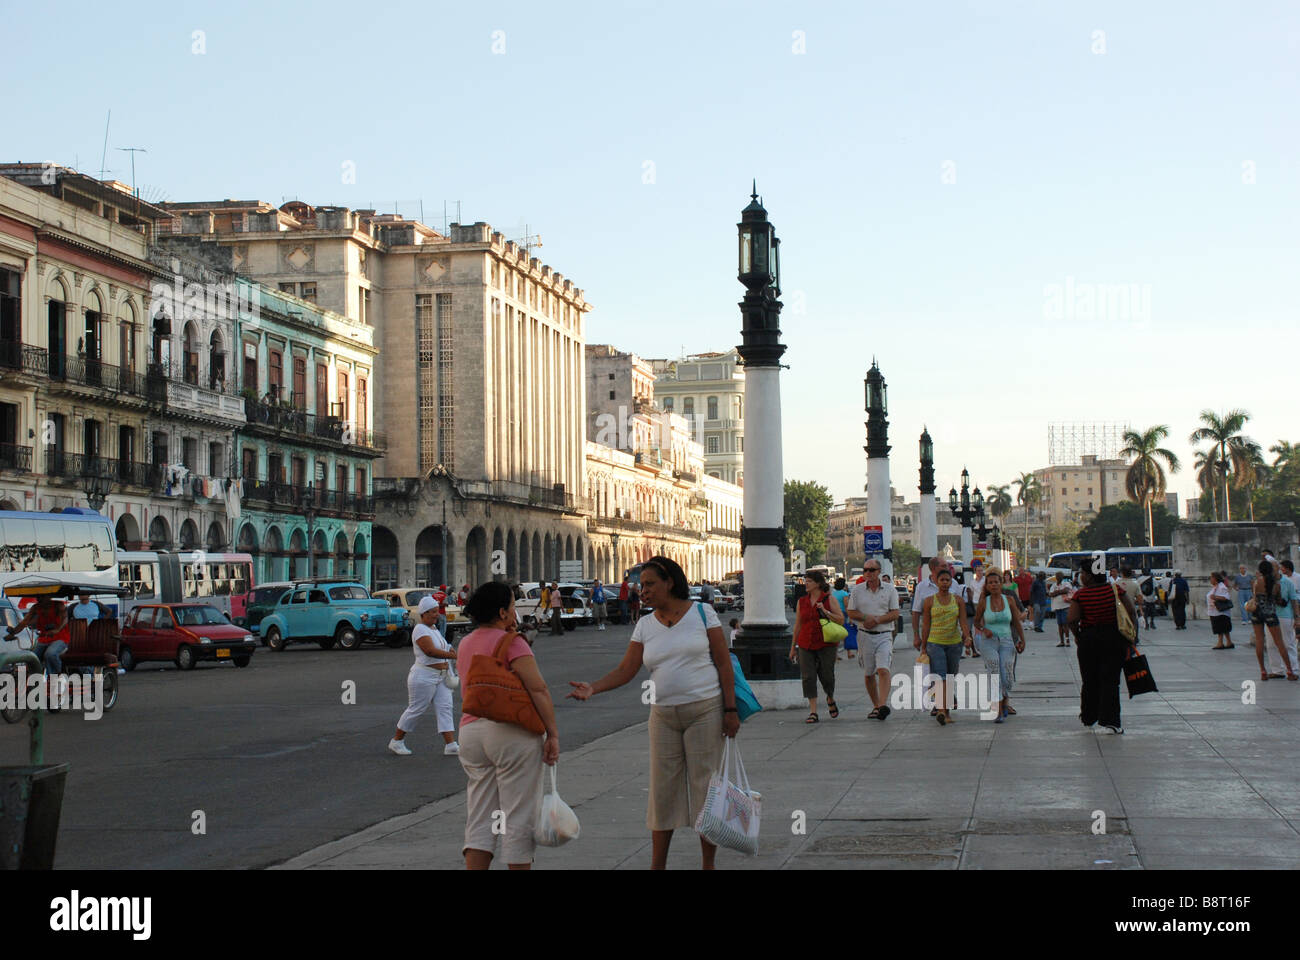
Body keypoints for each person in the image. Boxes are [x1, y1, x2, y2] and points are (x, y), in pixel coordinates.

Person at [567, 556, 738, 870]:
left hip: (705, 709)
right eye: (640, 585)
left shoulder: (703, 613)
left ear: (669, 582)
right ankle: (657, 865)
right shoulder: (645, 624)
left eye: (649, 584)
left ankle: (708, 864)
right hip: (663, 717)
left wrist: (730, 710)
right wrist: (593, 687)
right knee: (662, 794)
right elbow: (626, 670)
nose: (642, 590)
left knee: (705, 790)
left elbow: (724, 664)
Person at [458, 581, 559, 870]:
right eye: (513, 606)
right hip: (509, 733)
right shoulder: (514, 643)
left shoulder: (465, 642)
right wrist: (552, 733)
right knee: (518, 818)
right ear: (502, 612)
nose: (515, 613)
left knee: (480, 817)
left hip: (471, 733)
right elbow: (538, 689)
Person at [1067, 557, 1140, 734]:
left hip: (1089, 640)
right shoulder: (1115, 590)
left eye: (1082, 573)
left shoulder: (1081, 595)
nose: (1081, 577)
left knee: (1090, 680)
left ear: (1090, 576)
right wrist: (1132, 638)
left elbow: (1072, 619)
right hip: (1113, 639)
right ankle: (1111, 721)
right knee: (1111, 681)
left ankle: (1089, 717)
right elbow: (1131, 612)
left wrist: (1078, 636)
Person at [389, 596, 459, 756]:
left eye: (437, 611)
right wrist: (452, 656)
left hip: (440, 676)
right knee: (416, 708)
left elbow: (443, 646)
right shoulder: (420, 629)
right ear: (424, 613)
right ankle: (397, 741)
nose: (437, 614)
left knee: (445, 708)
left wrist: (450, 650)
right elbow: (430, 651)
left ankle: (451, 744)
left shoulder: (433, 629)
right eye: (433, 612)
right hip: (424, 676)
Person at [846, 560, 899, 721]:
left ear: (879, 572)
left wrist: (877, 620)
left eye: (872, 570)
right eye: (866, 570)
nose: (868, 573)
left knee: (883, 669)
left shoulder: (890, 589)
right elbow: (851, 611)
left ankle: (882, 705)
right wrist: (865, 618)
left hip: (884, 634)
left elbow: (895, 613)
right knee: (869, 673)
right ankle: (876, 705)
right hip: (864, 635)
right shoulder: (857, 590)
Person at [790, 570, 844, 722]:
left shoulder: (829, 599)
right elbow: (798, 625)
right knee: (808, 676)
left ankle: (830, 697)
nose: (806, 584)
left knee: (827, 675)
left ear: (818, 584)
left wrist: (825, 611)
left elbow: (840, 620)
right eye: (805, 581)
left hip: (826, 643)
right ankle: (813, 711)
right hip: (805, 642)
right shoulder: (802, 602)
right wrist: (793, 647)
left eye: (809, 582)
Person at [921, 568, 973, 725]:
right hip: (935, 643)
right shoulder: (930, 601)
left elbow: (963, 621)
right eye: (941, 580)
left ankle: (947, 711)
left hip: (954, 643)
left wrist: (967, 636)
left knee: (950, 677)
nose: (944, 583)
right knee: (941, 677)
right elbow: (926, 625)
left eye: (947, 580)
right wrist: (923, 646)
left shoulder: (958, 600)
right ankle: (942, 711)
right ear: (936, 582)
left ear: (951, 582)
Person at [974, 568, 1026, 722]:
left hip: (1007, 641)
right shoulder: (984, 602)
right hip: (988, 641)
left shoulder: (1009, 600)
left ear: (1001, 583)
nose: (994, 585)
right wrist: (984, 629)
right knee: (994, 669)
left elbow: (1016, 621)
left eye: (996, 582)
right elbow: (976, 621)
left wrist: (1022, 640)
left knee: (1006, 675)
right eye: (990, 583)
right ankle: (996, 708)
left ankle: (1004, 699)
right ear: (987, 586)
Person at [1251, 561, 1297, 682]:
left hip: (1257, 613)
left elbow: (1255, 597)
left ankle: (1263, 671)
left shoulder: (1256, 582)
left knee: (1260, 641)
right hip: (1270, 613)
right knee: (1280, 642)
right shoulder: (1276, 584)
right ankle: (1290, 671)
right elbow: (1279, 600)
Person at [15, 595, 70, 678]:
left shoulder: (59, 605)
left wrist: (58, 629)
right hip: (44, 638)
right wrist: (12, 632)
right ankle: (35, 679)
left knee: (50, 654)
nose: (38, 599)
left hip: (60, 637)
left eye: (41, 597)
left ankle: (59, 676)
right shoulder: (35, 607)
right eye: (38, 597)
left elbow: (66, 618)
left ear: (49, 596)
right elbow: (24, 622)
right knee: (32, 657)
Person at [910, 557, 943, 643]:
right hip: (931, 637)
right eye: (943, 566)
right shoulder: (922, 587)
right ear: (934, 568)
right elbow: (916, 612)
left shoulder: (954, 584)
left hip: (953, 638)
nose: (947, 568)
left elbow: (961, 612)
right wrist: (916, 636)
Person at [1207, 572, 1234, 651]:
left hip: (1220, 611)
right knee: (1223, 628)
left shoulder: (1221, 587)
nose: (1210, 579)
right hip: (1215, 611)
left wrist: (1215, 597)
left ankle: (1220, 642)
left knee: (1221, 627)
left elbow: (1226, 597)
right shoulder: (1215, 587)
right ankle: (1229, 642)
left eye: (1211, 578)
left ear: (1215, 579)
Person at [1118, 567, 1144, 645]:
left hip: (1119, 613)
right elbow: (1140, 600)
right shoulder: (1135, 584)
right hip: (1131, 612)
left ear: (1121, 573)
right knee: (1133, 630)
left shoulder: (1115, 584)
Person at [1049, 572, 1073, 646]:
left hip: (1065, 606)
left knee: (1065, 624)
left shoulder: (1066, 583)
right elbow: (1051, 594)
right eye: (1057, 576)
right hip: (1057, 607)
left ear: (1062, 577)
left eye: (1060, 576)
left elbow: (1066, 590)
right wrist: (1060, 592)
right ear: (1056, 577)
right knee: (1060, 624)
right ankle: (1062, 641)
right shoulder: (1053, 585)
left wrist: (1056, 592)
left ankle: (1067, 640)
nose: (1058, 577)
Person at [832, 576, 852, 660]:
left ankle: (835, 654)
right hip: (843, 614)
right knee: (845, 634)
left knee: (836, 634)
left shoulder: (833, 594)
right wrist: (851, 617)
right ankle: (849, 653)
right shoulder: (844, 594)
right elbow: (846, 606)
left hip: (834, 614)